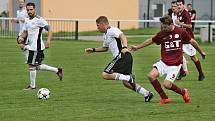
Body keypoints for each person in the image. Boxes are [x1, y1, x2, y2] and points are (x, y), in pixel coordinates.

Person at [130, 15, 206, 104]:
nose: (163, 28)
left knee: (167, 84)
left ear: (171, 24)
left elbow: (192, 41)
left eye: (165, 27)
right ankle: (164, 98)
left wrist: (201, 52)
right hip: (164, 62)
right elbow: (151, 40)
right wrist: (137, 47)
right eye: (162, 26)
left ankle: (183, 92)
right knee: (151, 76)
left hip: (175, 64)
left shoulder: (181, 32)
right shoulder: (162, 33)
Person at [85, 16, 153, 102]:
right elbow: (105, 48)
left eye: (98, 25)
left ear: (103, 24)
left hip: (122, 56)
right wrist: (93, 50)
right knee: (126, 83)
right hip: (125, 57)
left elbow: (122, 36)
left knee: (105, 74)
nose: (97, 27)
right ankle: (147, 94)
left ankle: (129, 78)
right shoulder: (105, 35)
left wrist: (124, 47)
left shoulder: (112, 30)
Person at [18, 2, 63, 90]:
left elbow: (49, 28)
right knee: (36, 66)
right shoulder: (27, 19)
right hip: (31, 46)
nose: (29, 11)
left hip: (36, 47)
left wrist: (48, 41)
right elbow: (26, 31)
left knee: (31, 65)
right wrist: (21, 37)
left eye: (31, 9)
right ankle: (57, 70)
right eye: (28, 10)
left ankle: (32, 86)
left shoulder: (39, 20)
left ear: (34, 9)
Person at [175, 0, 205, 81]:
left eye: (180, 5)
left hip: (188, 40)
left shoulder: (186, 13)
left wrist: (179, 24)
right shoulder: (178, 13)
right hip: (181, 39)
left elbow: (189, 26)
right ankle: (182, 72)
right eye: (177, 5)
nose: (178, 6)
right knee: (177, 55)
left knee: (193, 58)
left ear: (183, 5)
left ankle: (201, 74)